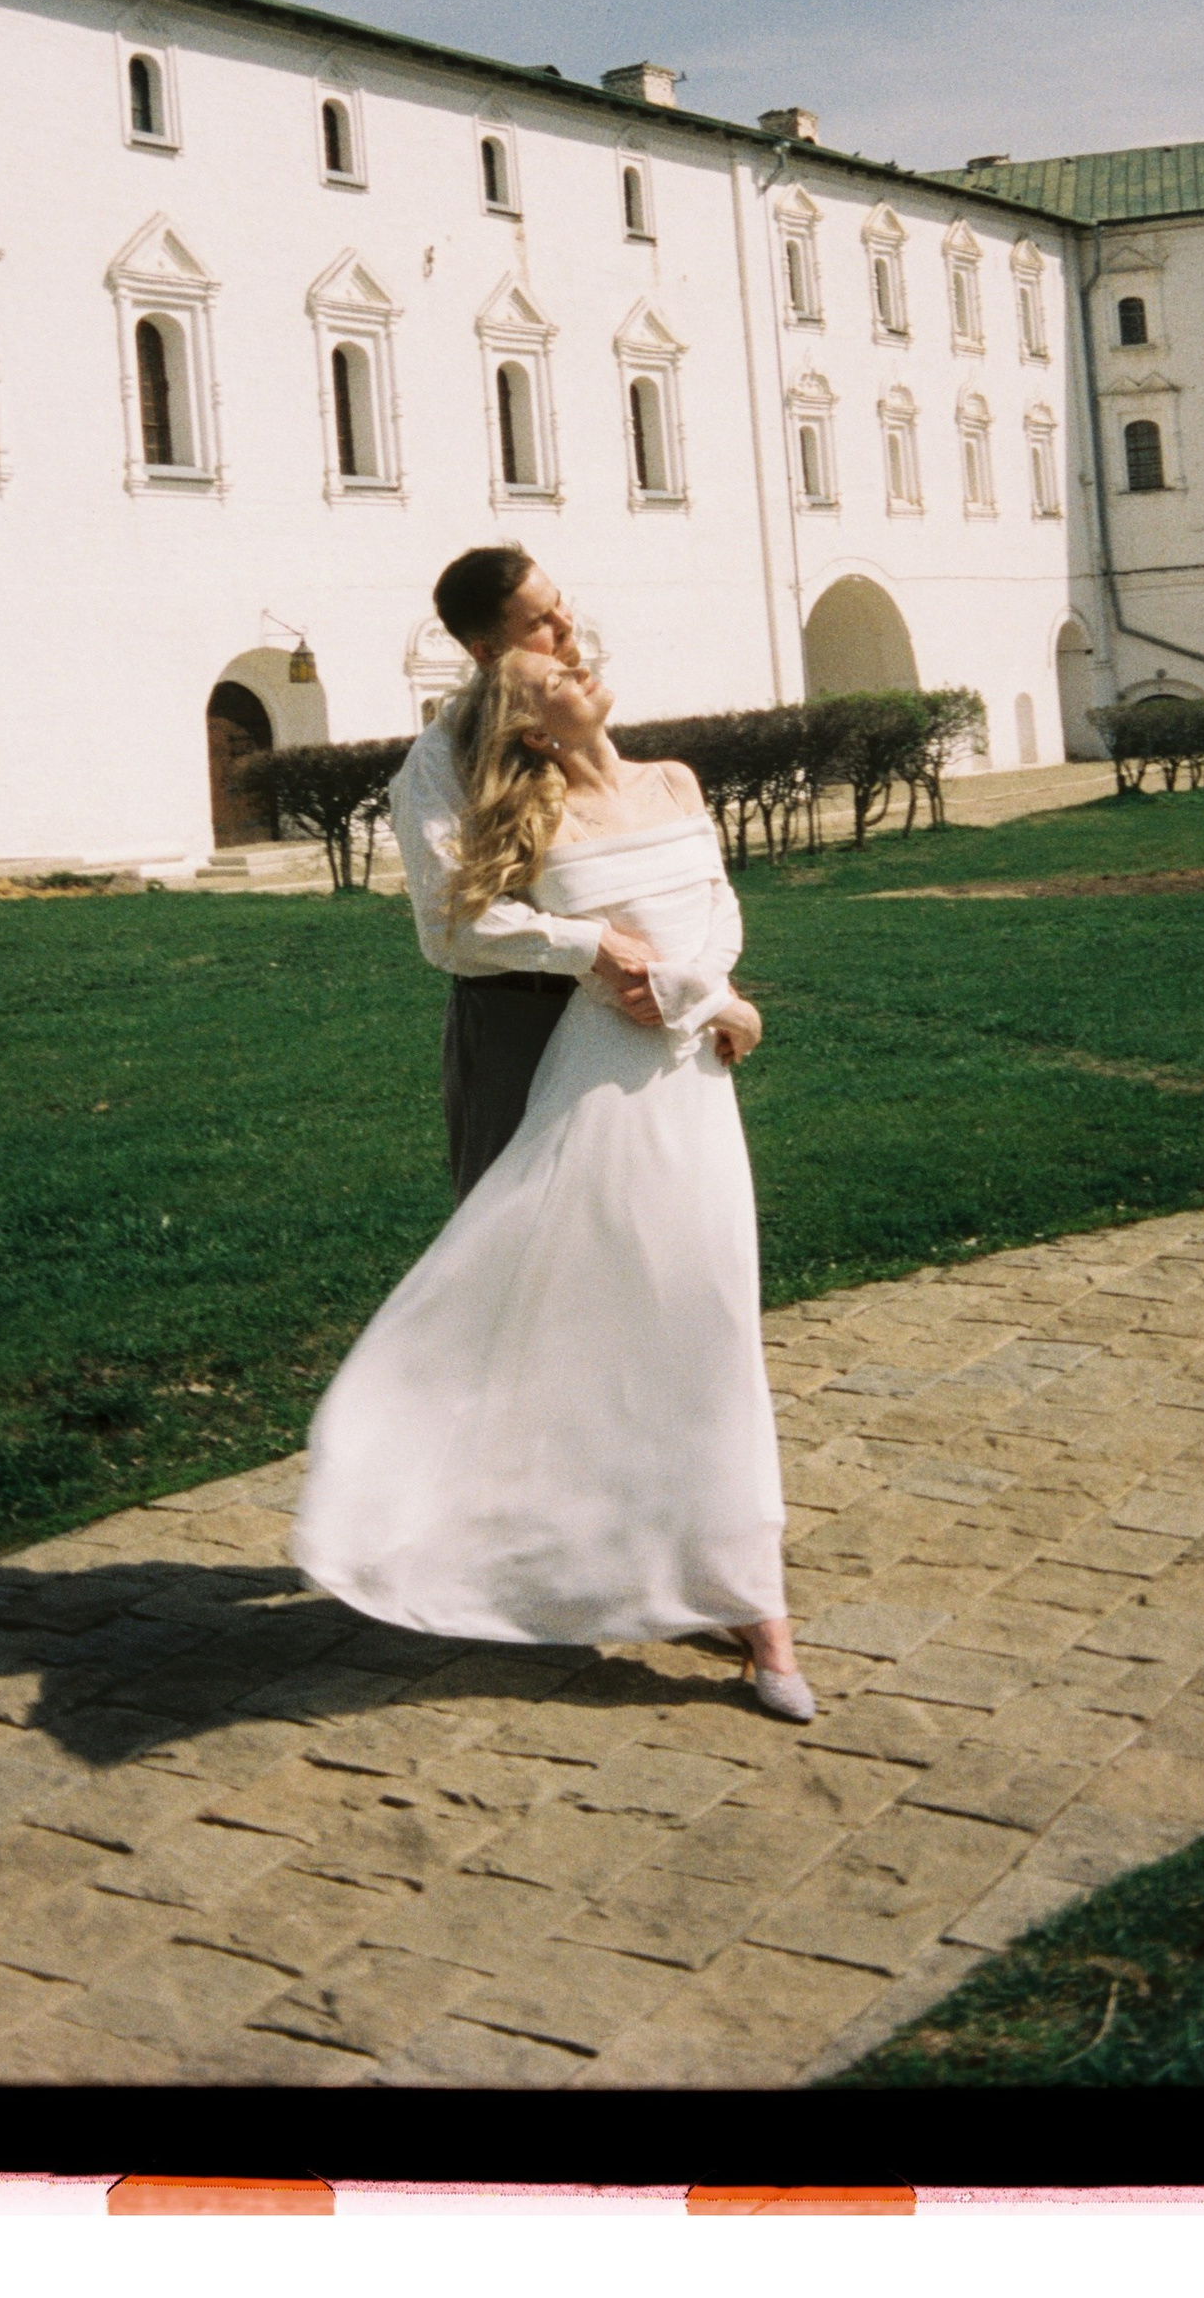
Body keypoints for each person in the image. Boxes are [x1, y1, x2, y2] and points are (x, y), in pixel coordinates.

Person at [293, 637, 813, 1716]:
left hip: (691, 1091)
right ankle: (670, 1577)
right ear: (533, 728)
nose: (582, 672)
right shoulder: (533, 821)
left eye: (575, 663)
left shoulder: (673, 781)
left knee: (711, 1325)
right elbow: (469, 929)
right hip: (598, 1084)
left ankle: (747, 1597)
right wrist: (648, 979)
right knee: (597, 1322)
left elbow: (714, 912)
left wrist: (709, 998)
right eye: (554, 682)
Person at [391, 548, 666, 1205]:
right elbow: (450, 926)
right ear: (486, 653)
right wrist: (593, 947)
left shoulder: (576, 721)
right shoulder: (439, 763)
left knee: (625, 1215)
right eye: (541, 622)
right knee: (514, 1230)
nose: (567, 627)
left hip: (620, 1014)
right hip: (518, 1021)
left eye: (560, 602)